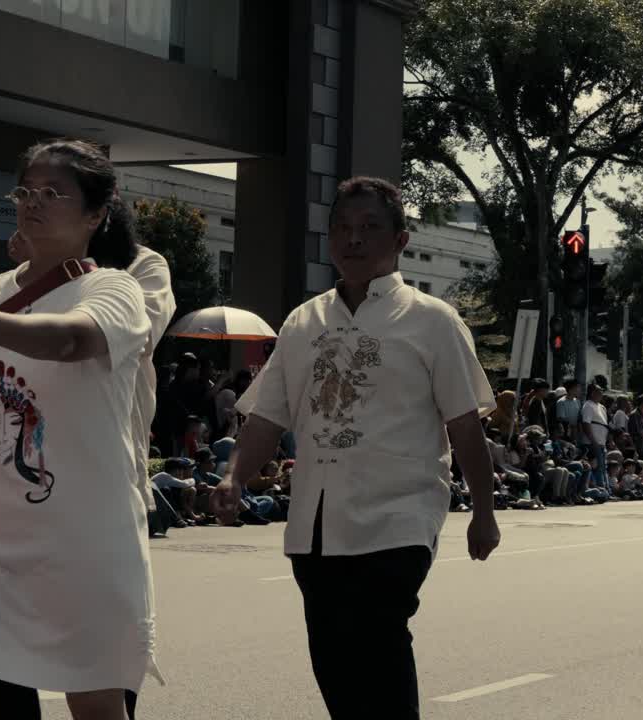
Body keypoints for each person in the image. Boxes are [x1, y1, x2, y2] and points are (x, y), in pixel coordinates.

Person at [210, 176, 499, 719]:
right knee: (335, 663)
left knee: (379, 644)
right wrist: (234, 477)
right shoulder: (304, 321)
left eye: (369, 227)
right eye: (341, 227)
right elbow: (268, 416)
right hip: (316, 524)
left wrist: (484, 512)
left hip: (398, 519)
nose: (353, 239)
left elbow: (465, 426)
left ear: (401, 239)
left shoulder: (433, 321)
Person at [0, 138, 157, 719]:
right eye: (27, 189)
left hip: (81, 545)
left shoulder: (115, 289)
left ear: (96, 214)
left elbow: (73, 339)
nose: (34, 201)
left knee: (96, 708)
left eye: (55, 193)